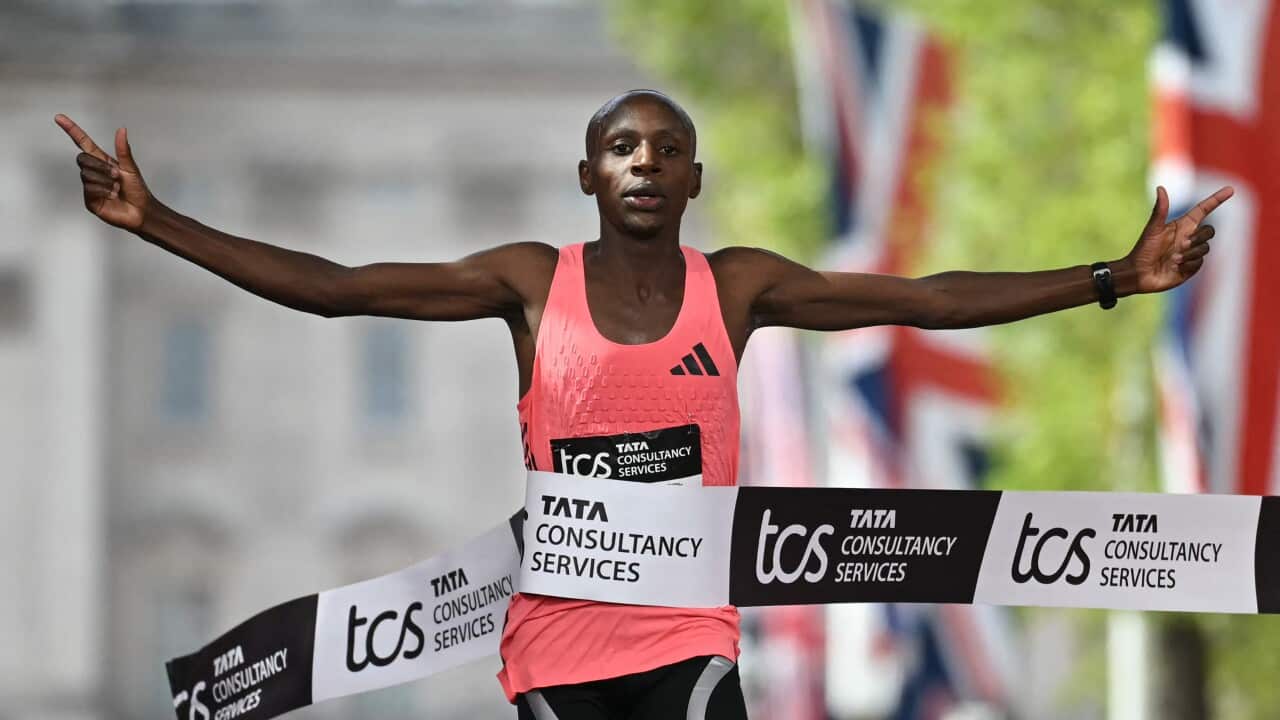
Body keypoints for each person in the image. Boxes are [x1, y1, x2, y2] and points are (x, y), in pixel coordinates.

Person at [54, 89, 1231, 720]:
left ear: (693, 178)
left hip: (690, 646)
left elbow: (922, 298)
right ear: (587, 174)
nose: (643, 162)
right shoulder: (527, 284)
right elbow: (334, 291)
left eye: (666, 148)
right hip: (556, 659)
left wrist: (1107, 279)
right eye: (621, 145)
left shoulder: (738, 289)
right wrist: (156, 221)